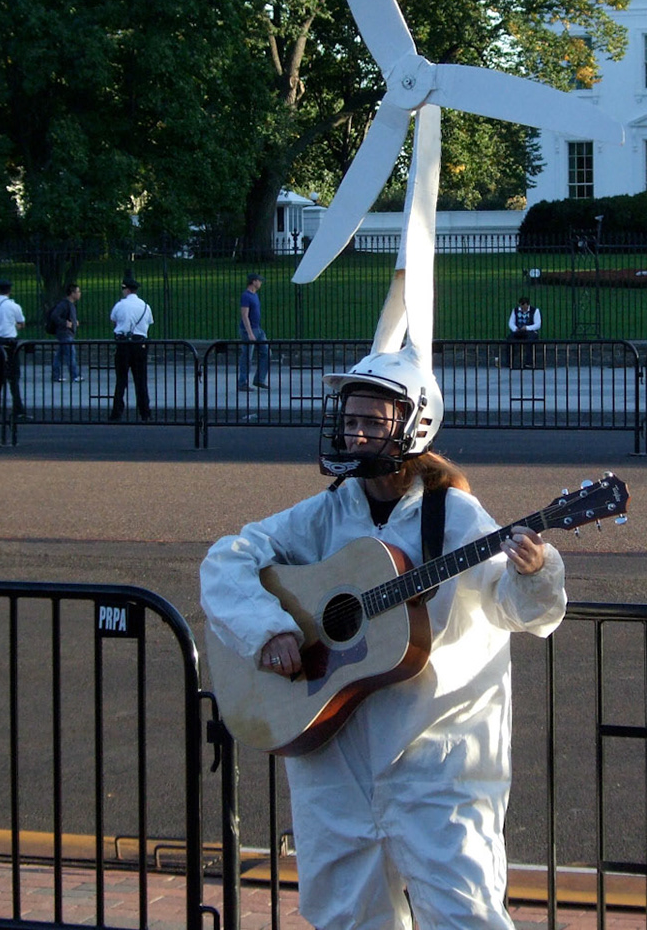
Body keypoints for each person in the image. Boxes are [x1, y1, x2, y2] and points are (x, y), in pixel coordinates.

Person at [199, 350, 564, 930]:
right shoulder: (323, 516)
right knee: (348, 915)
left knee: (464, 914)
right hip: (333, 762)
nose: (358, 432)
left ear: (414, 425)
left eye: (374, 421)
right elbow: (227, 559)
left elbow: (523, 612)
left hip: (438, 761)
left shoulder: (456, 518)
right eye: (352, 419)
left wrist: (536, 570)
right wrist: (267, 630)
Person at [108, 276, 153, 422]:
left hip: (123, 344)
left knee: (121, 379)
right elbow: (149, 322)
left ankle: (117, 412)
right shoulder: (145, 306)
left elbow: (113, 319)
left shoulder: (120, 305)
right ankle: (145, 412)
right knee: (141, 380)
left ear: (126, 289)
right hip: (140, 344)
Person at [0, 279, 27, 421]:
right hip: (9, 343)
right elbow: (21, 323)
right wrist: (14, 325)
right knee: (13, 377)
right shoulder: (13, 306)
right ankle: (18, 409)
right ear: (9, 290)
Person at [237, 273, 270, 391]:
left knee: (266, 353)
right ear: (253, 282)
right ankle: (243, 382)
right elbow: (244, 315)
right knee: (247, 356)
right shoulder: (246, 296)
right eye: (259, 281)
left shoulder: (254, 295)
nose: (260, 283)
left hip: (258, 329)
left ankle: (259, 379)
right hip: (249, 330)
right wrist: (249, 332)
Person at [47, 283, 84, 383]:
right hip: (65, 333)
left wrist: (74, 322)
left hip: (66, 333)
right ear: (72, 293)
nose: (79, 294)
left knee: (60, 355)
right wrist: (65, 323)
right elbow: (55, 316)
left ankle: (56, 375)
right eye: (78, 292)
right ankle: (74, 375)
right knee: (71, 354)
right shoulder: (64, 304)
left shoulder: (69, 304)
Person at [505, 295, 541, 370]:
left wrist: (527, 328)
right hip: (518, 331)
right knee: (510, 338)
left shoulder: (535, 311)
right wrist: (515, 329)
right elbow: (511, 323)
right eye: (521, 306)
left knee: (530, 341)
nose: (522, 309)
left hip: (531, 332)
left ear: (527, 304)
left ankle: (529, 363)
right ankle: (509, 362)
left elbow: (538, 324)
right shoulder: (515, 310)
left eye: (524, 306)